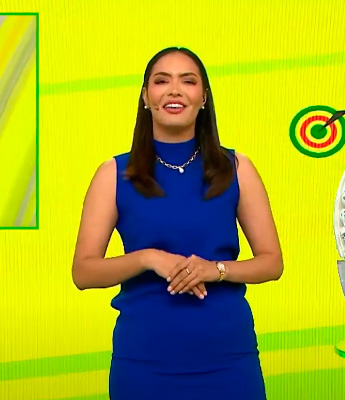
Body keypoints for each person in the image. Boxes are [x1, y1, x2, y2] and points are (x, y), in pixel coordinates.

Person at [71, 46, 283, 399]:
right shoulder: (114, 174)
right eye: (161, 81)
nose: (174, 90)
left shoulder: (236, 168)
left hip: (228, 359)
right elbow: (84, 272)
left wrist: (216, 270)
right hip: (144, 362)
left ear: (204, 97)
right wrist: (148, 258)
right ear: (145, 97)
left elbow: (272, 263)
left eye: (188, 81)